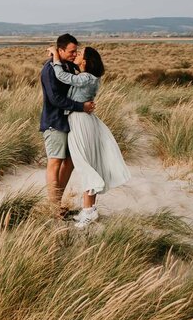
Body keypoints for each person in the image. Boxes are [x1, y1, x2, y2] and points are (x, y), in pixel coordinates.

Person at [47, 45, 130, 226]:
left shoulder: (85, 77)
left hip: (80, 122)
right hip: (85, 121)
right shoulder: (90, 77)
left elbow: (62, 76)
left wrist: (55, 57)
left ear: (85, 61)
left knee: (85, 165)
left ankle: (88, 212)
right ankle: (90, 209)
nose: (76, 55)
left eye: (80, 54)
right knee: (88, 163)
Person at [39, 33, 95, 216]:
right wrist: (81, 106)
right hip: (54, 121)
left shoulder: (69, 67)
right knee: (55, 161)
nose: (74, 54)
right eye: (71, 51)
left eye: (76, 51)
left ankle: (57, 202)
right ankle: (53, 207)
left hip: (71, 122)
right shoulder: (49, 69)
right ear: (60, 50)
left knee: (69, 162)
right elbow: (55, 99)